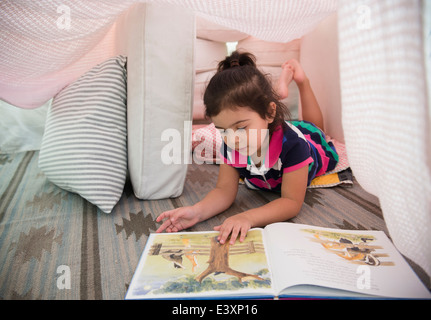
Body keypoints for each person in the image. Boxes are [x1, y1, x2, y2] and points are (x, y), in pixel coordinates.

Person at [156, 51, 338, 245]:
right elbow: (224, 191)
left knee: (317, 130)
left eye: (241, 128)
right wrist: (197, 212)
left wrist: (248, 217)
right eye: (223, 130)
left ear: (269, 113)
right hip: (273, 130)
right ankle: (282, 88)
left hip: (310, 146)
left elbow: (291, 202)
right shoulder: (231, 144)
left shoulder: (295, 146)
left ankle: (302, 82)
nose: (233, 138)